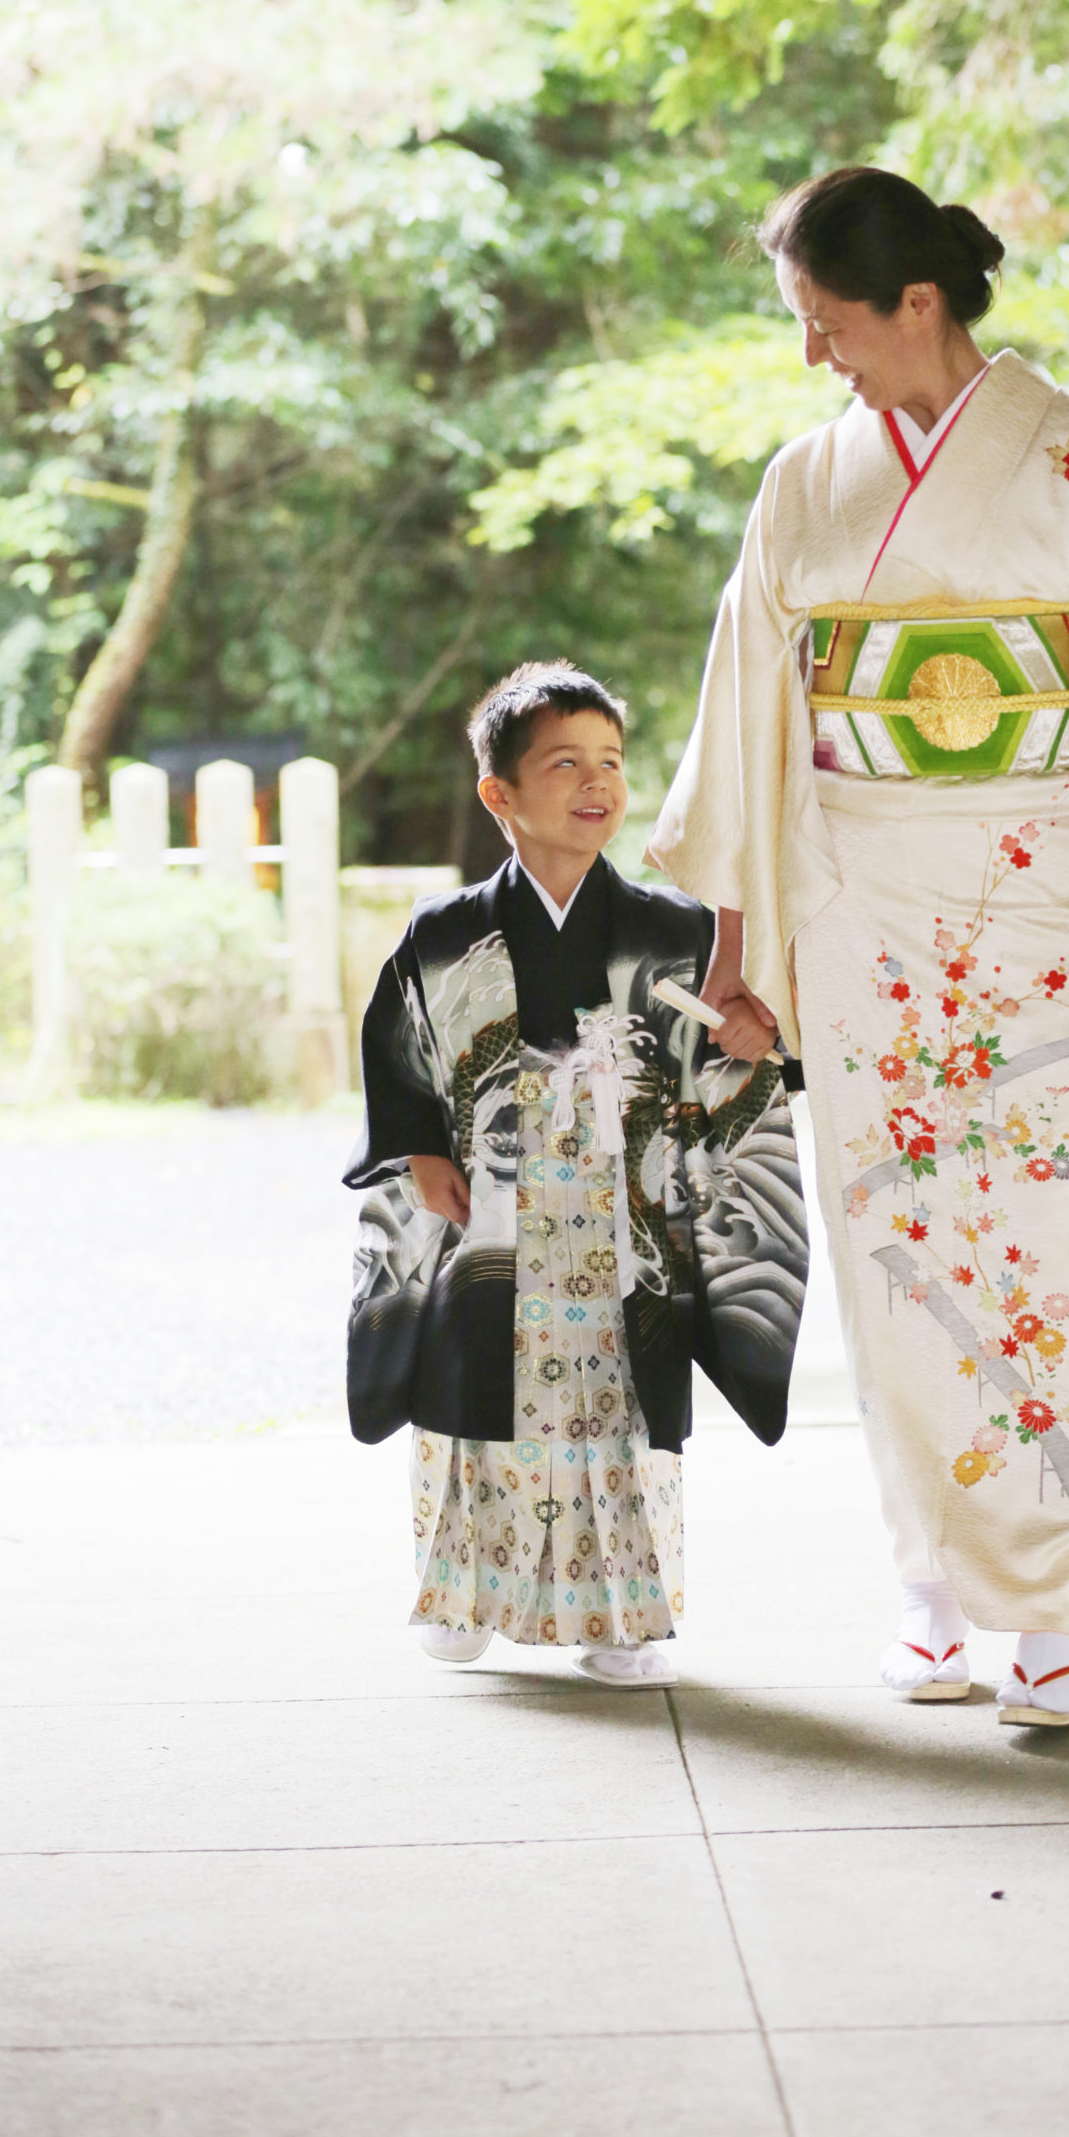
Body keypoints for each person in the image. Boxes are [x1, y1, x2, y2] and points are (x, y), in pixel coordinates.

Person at [649, 169, 1069, 1728]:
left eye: (830, 325)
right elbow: (746, 725)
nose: (817, 358)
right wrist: (734, 940)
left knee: (1044, 1246)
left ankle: (1059, 1614)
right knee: (893, 1247)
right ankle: (933, 1592)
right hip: (860, 910)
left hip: (1043, 907)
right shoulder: (804, 489)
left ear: (917, 305)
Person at [344, 660, 808, 1687]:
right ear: (498, 794)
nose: (597, 784)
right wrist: (420, 1151)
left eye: (610, 761)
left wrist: (752, 1032)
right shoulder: (443, 932)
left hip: (623, 1217)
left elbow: (748, 1063)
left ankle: (620, 1613)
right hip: (489, 1208)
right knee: (476, 1407)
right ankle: (463, 1589)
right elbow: (397, 1048)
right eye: (564, 764)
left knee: (617, 1411)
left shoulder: (674, 930)